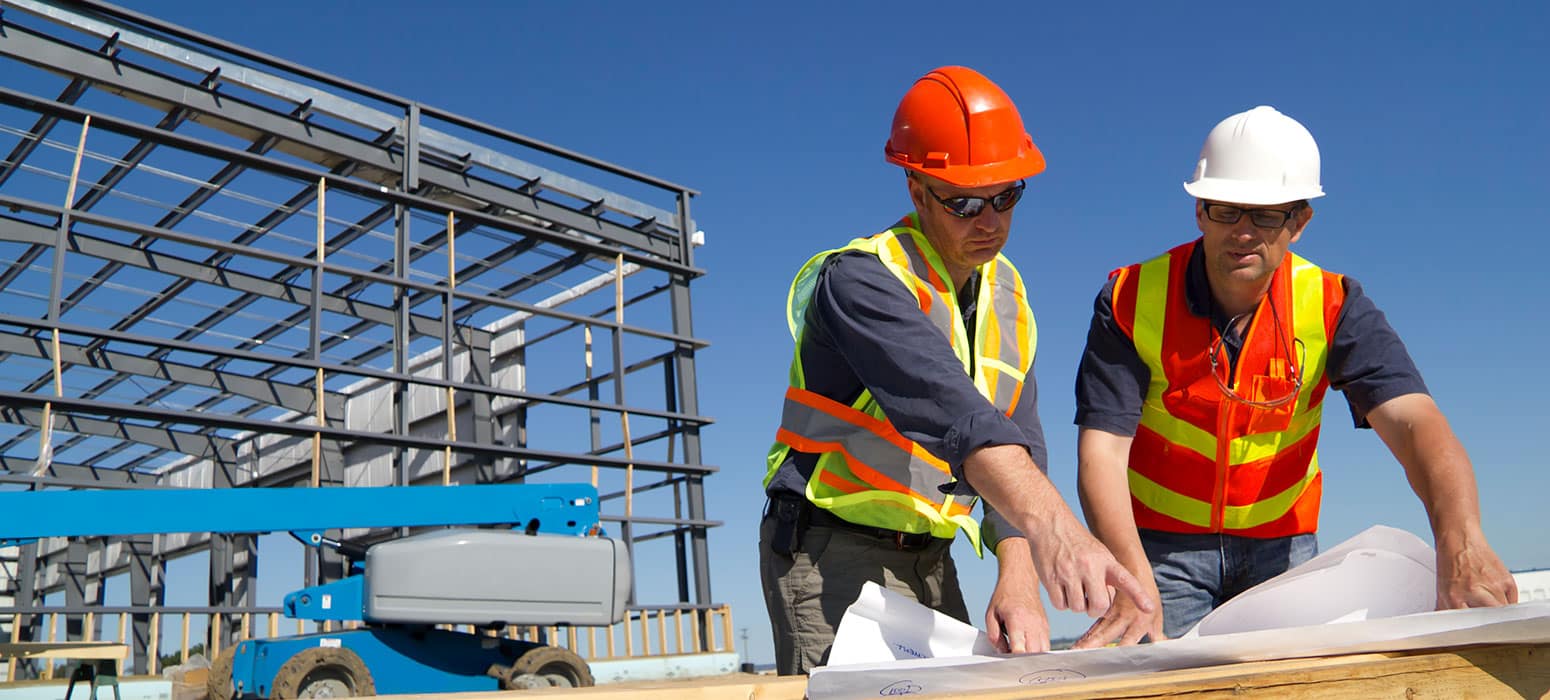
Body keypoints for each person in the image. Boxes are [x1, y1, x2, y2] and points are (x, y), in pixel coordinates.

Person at [1071, 105, 1518, 647]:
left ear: (1299, 222)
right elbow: (1102, 452)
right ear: (1199, 210)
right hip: (1157, 549)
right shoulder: (1129, 298)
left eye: (1264, 215)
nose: (1242, 232)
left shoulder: (1334, 305)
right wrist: (1129, 573)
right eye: (1225, 210)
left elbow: (1415, 424)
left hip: (1281, 548)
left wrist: (1462, 540)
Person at [759, 65, 1149, 675]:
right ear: (917, 191)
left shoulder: (1007, 294)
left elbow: (1019, 440)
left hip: (931, 557)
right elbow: (961, 419)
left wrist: (1017, 572)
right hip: (829, 547)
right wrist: (1058, 531)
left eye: (1005, 196)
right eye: (964, 202)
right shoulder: (862, 281)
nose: (989, 220)